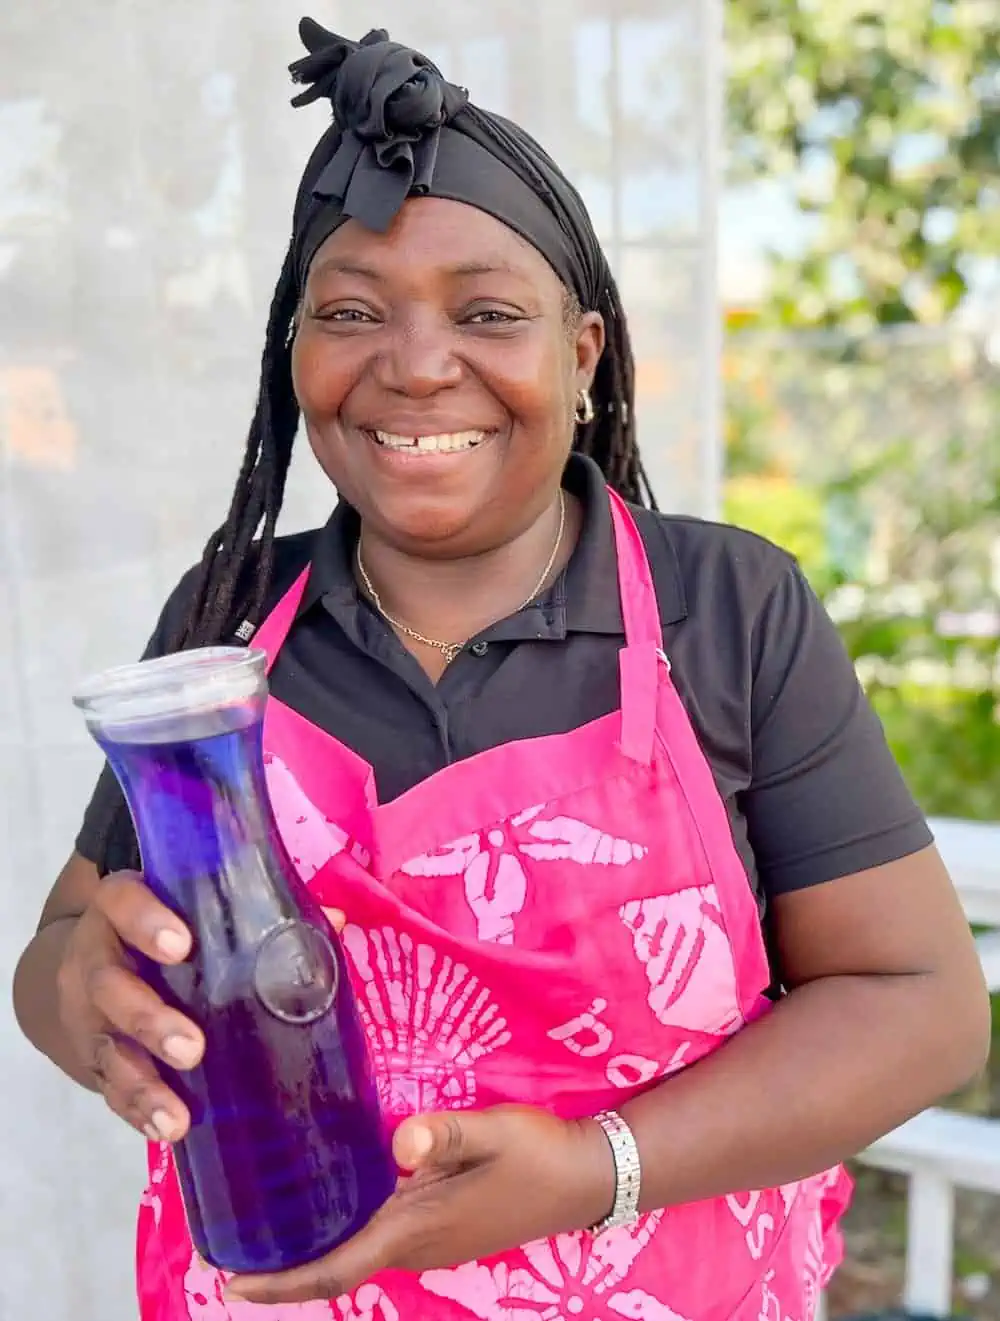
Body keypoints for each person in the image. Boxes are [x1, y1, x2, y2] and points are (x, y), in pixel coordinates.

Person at [13, 19, 990, 1321]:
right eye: (351, 310)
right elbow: (63, 951)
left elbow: (916, 1002)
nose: (417, 365)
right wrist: (77, 992)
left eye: (487, 312)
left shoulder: (722, 608)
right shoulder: (230, 623)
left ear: (582, 353)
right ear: (293, 350)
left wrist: (598, 1168)